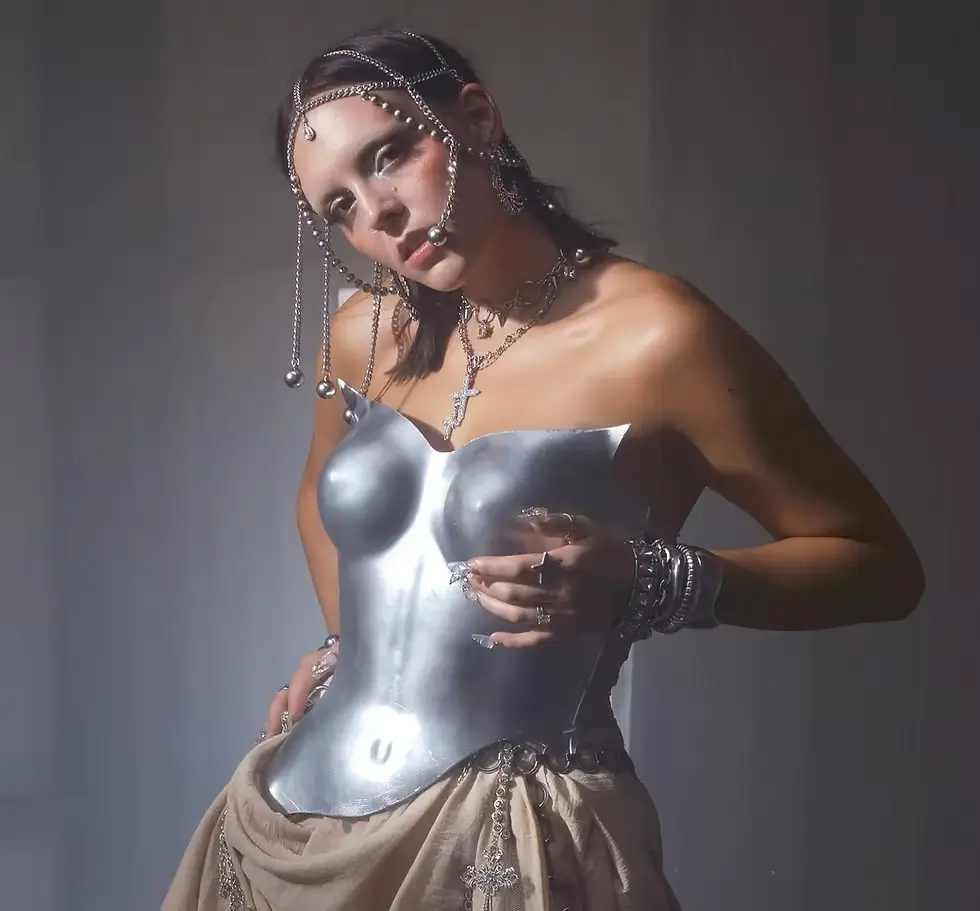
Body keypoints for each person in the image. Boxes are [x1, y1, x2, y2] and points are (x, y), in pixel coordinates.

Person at [163, 28, 924, 911]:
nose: (380, 213)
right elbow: (316, 494)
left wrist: (654, 580)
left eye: (391, 155)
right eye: (338, 208)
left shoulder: (657, 335)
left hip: (505, 838)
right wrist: (352, 647)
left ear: (476, 119)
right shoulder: (361, 336)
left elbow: (880, 564)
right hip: (292, 823)